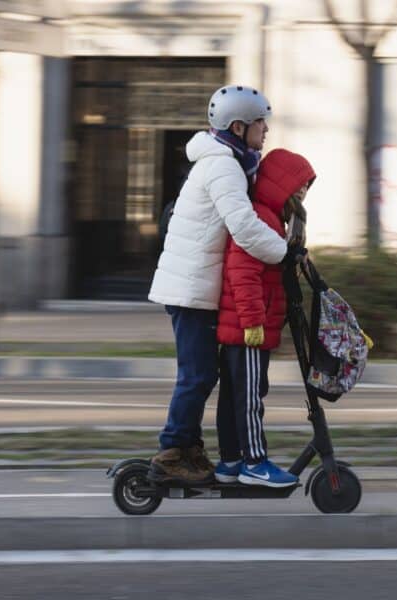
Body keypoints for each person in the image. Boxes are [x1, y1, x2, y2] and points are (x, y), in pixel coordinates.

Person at [147, 85, 304, 485]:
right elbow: (245, 227)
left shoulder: (231, 161)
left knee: (204, 374)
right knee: (197, 375)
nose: (266, 130)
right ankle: (172, 452)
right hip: (190, 288)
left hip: (196, 285)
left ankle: (189, 449)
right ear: (239, 127)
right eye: (259, 123)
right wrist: (286, 253)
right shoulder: (223, 166)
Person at [214, 148, 314, 487]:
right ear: (280, 185)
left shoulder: (268, 218)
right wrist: (254, 322)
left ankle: (230, 462)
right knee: (249, 398)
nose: (302, 193)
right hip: (248, 331)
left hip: (240, 330)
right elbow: (242, 274)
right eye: (299, 186)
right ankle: (255, 462)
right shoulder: (262, 218)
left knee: (234, 397)